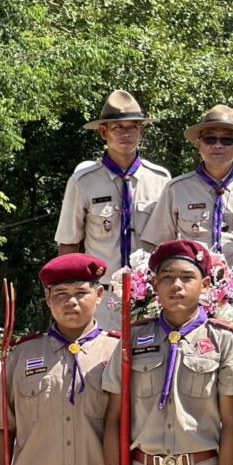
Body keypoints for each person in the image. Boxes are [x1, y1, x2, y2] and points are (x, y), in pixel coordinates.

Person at [102, 239, 233, 465]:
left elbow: (232, 423)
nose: (176, 285)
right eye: (167, 277)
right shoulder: (132, 338)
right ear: (155, 285)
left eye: (187, 277)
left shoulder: (224, 340)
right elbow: (114, 419)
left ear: (205, 285)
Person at [0, 253, 118, 465]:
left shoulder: (116, 353)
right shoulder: (22, 355)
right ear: (47, 298)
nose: (71, 301)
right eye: (60, 293)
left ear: (99, 295)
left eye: (80, 292)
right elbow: (0, 429)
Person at [141, 104, 233, 352]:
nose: (217, 145)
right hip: (192, 299)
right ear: (198, 143)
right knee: (192, 359)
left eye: (226, 140)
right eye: (210, 139)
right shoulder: (177, 189)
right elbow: (157, 245)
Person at [55, 89, 170, 330]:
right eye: (117, 127)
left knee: (150, 353)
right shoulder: (83, 182)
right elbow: (68, 244)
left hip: (150, 294)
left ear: (142, 132)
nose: (125, 134)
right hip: (102, 295)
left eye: (132, 127)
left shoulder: (160, 179)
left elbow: (169, 242)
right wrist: (71, 294)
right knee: (101, 354)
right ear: (103, 132)